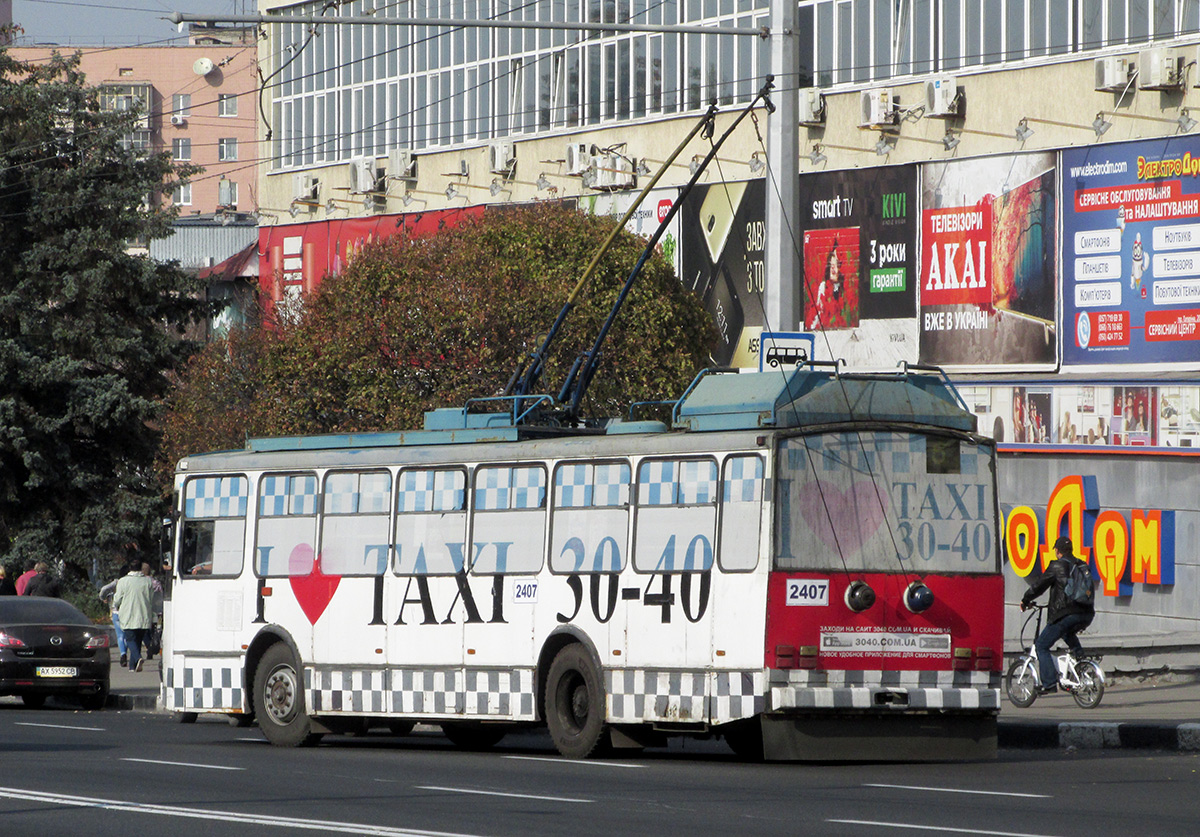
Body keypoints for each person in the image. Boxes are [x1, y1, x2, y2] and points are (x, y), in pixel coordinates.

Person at [1020, 537, 1095, 695]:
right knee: (1067, 633)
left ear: (1057, 551)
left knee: (1041, 645)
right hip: (1087, 613)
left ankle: (1048, 684)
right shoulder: (1082, 564)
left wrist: (1026, 600)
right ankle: (1081, 661)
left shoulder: (1057, 565)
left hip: (1065, 613)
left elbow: (1039, 586)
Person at [112, 563, 155, 672]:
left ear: (130, 568)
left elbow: (117, 600)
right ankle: (133, 666)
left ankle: (138, 657)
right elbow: (151, 599)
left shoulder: (123, 581)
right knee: (138, 641)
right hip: (143, 615)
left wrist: (115, 606)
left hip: (128, 615)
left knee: (130, 639)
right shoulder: (147, 581)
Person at [99, 577, 129, 668]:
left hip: (116, 611)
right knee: (127, 634)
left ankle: (123, 654)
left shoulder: (116, 582)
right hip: (127, 611)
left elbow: (104, 589)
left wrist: (102, 597)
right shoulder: (130, 582)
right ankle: (125, 652)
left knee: (120, 635)